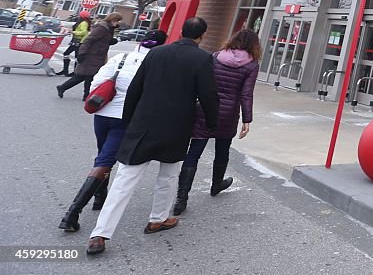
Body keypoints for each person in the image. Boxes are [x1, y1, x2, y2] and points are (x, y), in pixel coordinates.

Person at [86, 17, 219, 256]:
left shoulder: (155, 54)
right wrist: (212, 122)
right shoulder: (202, 58)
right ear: (202, 35)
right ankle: (157, 219)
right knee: (168, 175)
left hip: (143, 124)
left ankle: (100, 234)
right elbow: (209, 95)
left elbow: (136, 87)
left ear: (180, 32)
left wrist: (129, 119)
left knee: (125, 179)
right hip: (176, 126)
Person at [57, 30, 168, 233]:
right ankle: (72, 213)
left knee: (102, 156)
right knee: (105, 161)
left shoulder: (122, 57)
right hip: (124, 119)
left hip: (102, 113)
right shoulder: (154, 65)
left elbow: (98, 82)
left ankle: (100, 196)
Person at [173, 28, 260, 215]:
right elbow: (246, 93)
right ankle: (216, 184)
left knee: (194, 152)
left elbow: (203, 82)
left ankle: (181, 198)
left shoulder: (217, 56)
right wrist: (247, 119)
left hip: (205, 108)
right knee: (222, 150)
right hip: (228, 113)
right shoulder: (251, 65)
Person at [57, 13, 122, 100]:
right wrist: (82, 53)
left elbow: (102, 40)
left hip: (97, 54)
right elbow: (89, 40)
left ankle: (84, 94)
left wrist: (110, 40)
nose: (118, 23)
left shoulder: (108, 28)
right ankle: (71, 90)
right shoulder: (102, 28)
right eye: (117, 21)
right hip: (92, 54)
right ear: (113, 20)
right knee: (86, 75)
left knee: (88, 76)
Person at [57, 11, 93, 77]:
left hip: (79, 41)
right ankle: (66, 70)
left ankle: (74, 72)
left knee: (73, 55)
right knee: (67, 54)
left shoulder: (84, 23)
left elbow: (83, 32)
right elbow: (74, 26)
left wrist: (72, 32)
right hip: (76, 41)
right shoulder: (81, 22)